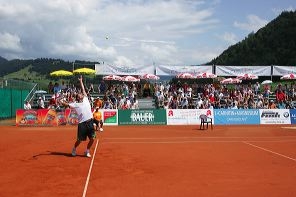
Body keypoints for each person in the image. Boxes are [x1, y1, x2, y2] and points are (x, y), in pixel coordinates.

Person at [59, 75, 96, 158]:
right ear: (78, 97)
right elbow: (66, 104)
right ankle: (74, 148)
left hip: (90, 122)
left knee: (92, 138)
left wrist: (81, 81)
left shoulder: (86, 99)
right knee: (79, 140)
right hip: (82, 124)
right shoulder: (75, 104)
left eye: (81, 94)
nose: (81, 94)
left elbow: (83, 89)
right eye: (79, 94)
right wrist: (61, 101)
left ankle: (87, 151)